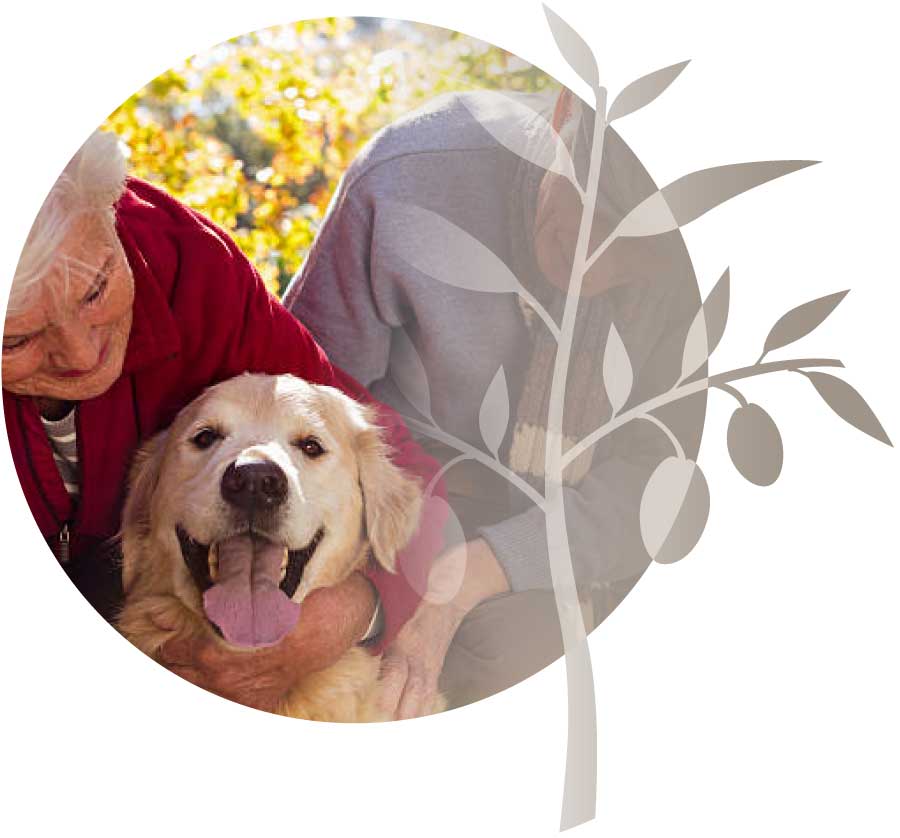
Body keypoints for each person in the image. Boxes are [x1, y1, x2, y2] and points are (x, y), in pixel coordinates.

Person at [286, 87, 704, 715]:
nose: (594, 267)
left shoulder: (712, 283)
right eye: (597, 211)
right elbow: (299, 408)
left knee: (532, 654)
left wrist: (469, 579)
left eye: (639, 249)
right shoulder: (409, 175)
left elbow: (667, 483)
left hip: (574, 529)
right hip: (395, 511)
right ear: (566, 117)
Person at [2, 130, 447, 714]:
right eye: (17, 339)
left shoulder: (190, 267)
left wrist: (357, 610)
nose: (84, 356)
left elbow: (404, 477)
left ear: (110, 217)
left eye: (95, 290)